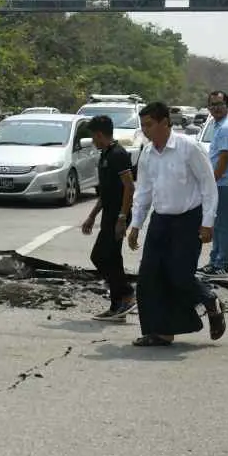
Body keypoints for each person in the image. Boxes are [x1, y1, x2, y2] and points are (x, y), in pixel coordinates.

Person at [126, 101, 226, 346]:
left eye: (149, 125)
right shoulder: (147, 153)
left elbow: (208, 185)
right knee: (149, 277)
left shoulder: (188, 148)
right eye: (143, 126)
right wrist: (136, 225)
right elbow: (144, 192)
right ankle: (160, 331)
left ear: (164, 122)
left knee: (179, 275)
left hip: (188, 219)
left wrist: (207, 222)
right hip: (160, 220)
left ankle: (209, 300)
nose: (146, 130)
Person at [81, 115, 135, 320]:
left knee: (100, 256)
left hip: (118, 215)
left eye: (93, 136)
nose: (92, 141)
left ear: (100, 134)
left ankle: (128, 294)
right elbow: (106, 193)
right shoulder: (105, 154)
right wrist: (92, 216)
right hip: (108, 214)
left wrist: (122, 218)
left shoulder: (118, 154)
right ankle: (116, 306)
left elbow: (129, 187)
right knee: (112, 259)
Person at [200, 90, 228, 275]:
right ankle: (215, 260)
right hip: (221, 182)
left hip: (224, 183)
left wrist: (212, 182)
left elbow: (224, 158)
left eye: (219, 104)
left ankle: (222, 264)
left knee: (222, 224)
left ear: (227, 106)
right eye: (212, 104)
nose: (215, 108)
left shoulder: (226, 128)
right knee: (216, 223)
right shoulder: (218, 125)